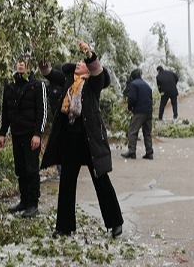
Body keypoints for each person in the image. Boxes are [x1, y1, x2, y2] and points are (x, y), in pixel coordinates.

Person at [39, 41, 124, 239]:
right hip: (70, 141)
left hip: (90, 142)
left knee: (101, 181)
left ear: (88, 67)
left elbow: (97, 69)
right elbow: (50, 74)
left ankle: (115, 223)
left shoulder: (94, 83)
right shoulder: (70, 79)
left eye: (82, 62)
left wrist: (88, 52)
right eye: (78, 61)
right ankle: (64, 227)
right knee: (67, 183)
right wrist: (43, 62)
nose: (78, 63)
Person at [0, 54, 48, 218]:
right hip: (16, 134)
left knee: (32, 169)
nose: (21, 64)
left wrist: (37, 134)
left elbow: (42, 111)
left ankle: (33, 204)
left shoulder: (37, 85)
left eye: (24, 62)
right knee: (20, 169)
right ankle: (24, 201)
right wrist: (2, 133)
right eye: (18, 61)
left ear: (30, 65)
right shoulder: (10, 85)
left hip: (31, 135)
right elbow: (5, 111)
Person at [121, 68, 154, 160]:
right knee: (147, 133)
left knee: (132, 131)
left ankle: (132, 152)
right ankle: (149, 153)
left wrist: (130, 107)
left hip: (139, 111)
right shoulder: (147, 85)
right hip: (148, 111)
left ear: (131, 77)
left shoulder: (133, 84)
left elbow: (132, 98)